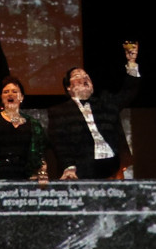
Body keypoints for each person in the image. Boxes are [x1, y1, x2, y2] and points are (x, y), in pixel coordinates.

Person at [46, 42, 141, 180]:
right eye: (77, 76)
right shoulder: (59, 111)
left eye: (86, 76)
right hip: (82, 169)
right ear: (68, 87)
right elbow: (60, 143)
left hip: (111, 167)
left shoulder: (105, 103)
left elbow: (128, 92)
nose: (84, 78)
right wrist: (69, 167)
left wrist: (132, 63)